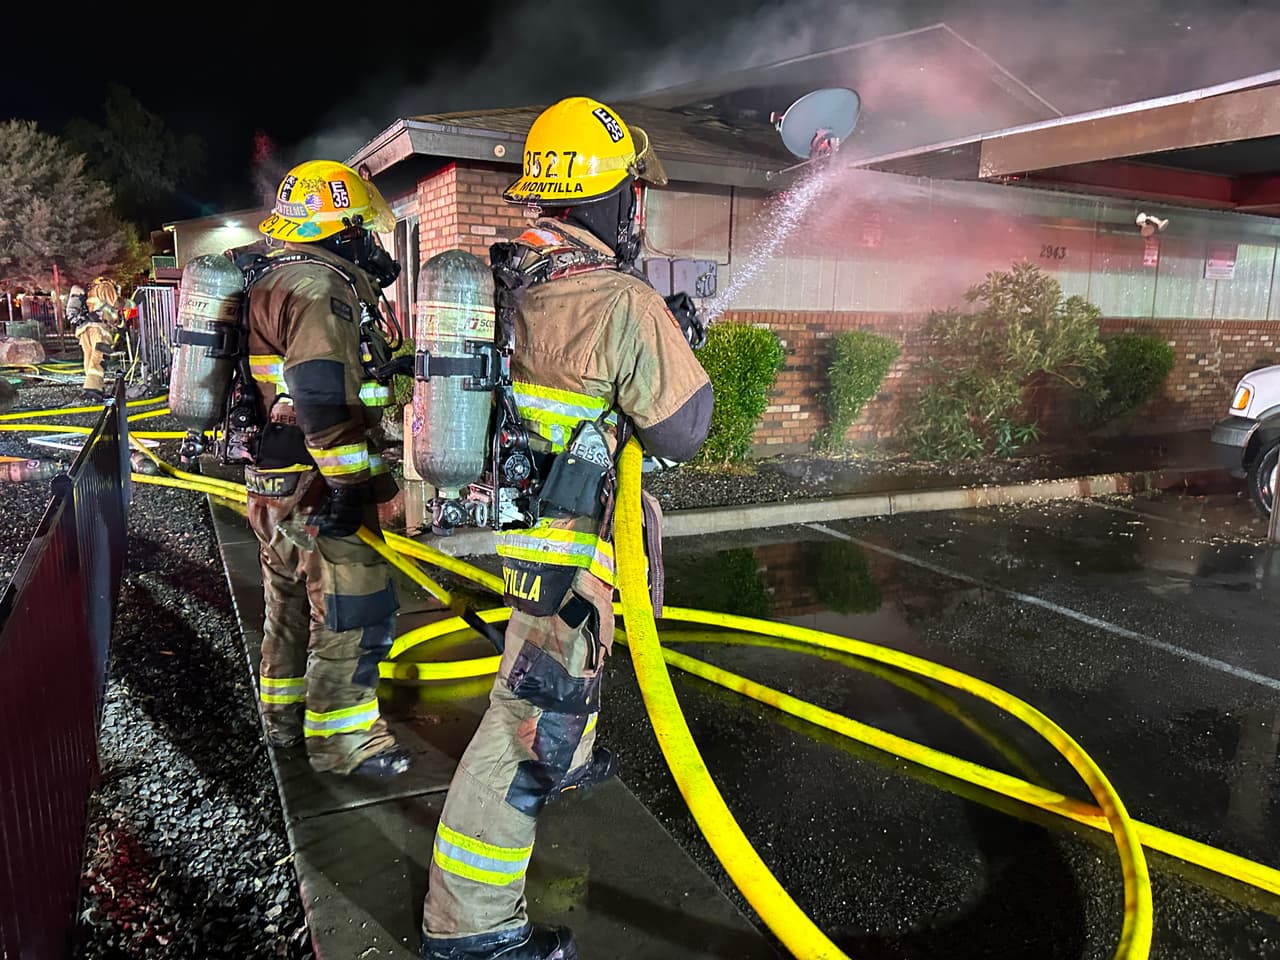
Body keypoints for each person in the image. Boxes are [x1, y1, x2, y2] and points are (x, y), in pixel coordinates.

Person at [420, 97, 714, 960]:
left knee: (554, 692)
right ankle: (469, 928)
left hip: (530, 533)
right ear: (615, 200)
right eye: (635, 193)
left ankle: (572, 754)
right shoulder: (619, 300)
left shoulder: (520, 274)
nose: (640, 209)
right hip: (573, 550)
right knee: (523, 727)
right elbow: (683, 432)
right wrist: (675, 334)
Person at [244, 159, 410, 779]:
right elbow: (320, 393)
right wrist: (350, 488)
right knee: (351, 609)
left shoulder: (272, 278)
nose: (369, 240)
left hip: (270, 477)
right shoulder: (320, 289)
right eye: (360, 226)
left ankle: (283, 723)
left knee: (287, 605)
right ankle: (346, 744)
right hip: (317, 484)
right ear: (335, 226)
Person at [77, 278, 123, 400]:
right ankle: (93, 389)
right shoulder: (106, 286)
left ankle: (94, 388)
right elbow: (116, 303)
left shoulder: (91, 290)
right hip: (100, 329)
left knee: (89, 358)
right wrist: (131, 302)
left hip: (85, 329)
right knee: (99, 358)